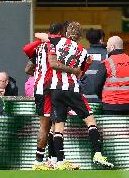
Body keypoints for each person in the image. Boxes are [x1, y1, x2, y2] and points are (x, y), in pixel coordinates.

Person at [35, 21, 114, 170]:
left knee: (58, 126)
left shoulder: (57, 42)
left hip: (55, 89)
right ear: (80, 36)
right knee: (90, 121)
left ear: (66, 33)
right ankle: (97, 153)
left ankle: (60, 161)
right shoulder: (83, 51)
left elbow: (40, 36)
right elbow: (81, 71)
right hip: (72, 89)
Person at [24, 23, 82, 170]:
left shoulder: (39, 47)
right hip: (47, 89)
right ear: (61, 32)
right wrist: (74, 71)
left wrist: (39, 75)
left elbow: (28, 69)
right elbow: (54, 64)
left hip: (42, 88)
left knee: (52, 124)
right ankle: (40, 162)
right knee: (48, 125)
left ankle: (53, 160)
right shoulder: (55, 46)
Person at [94, 36, 129, 115]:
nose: (106, 47)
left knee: (113, 126)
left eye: (107, 45)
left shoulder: (106, 63)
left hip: (111, 105)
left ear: (112, 47)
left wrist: (104, 97)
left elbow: (96, 85)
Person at [80, 28, 108, 102]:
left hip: (84, 98)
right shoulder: (107, 55)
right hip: (101, 98)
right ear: (101, 39)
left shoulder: (83, 53)